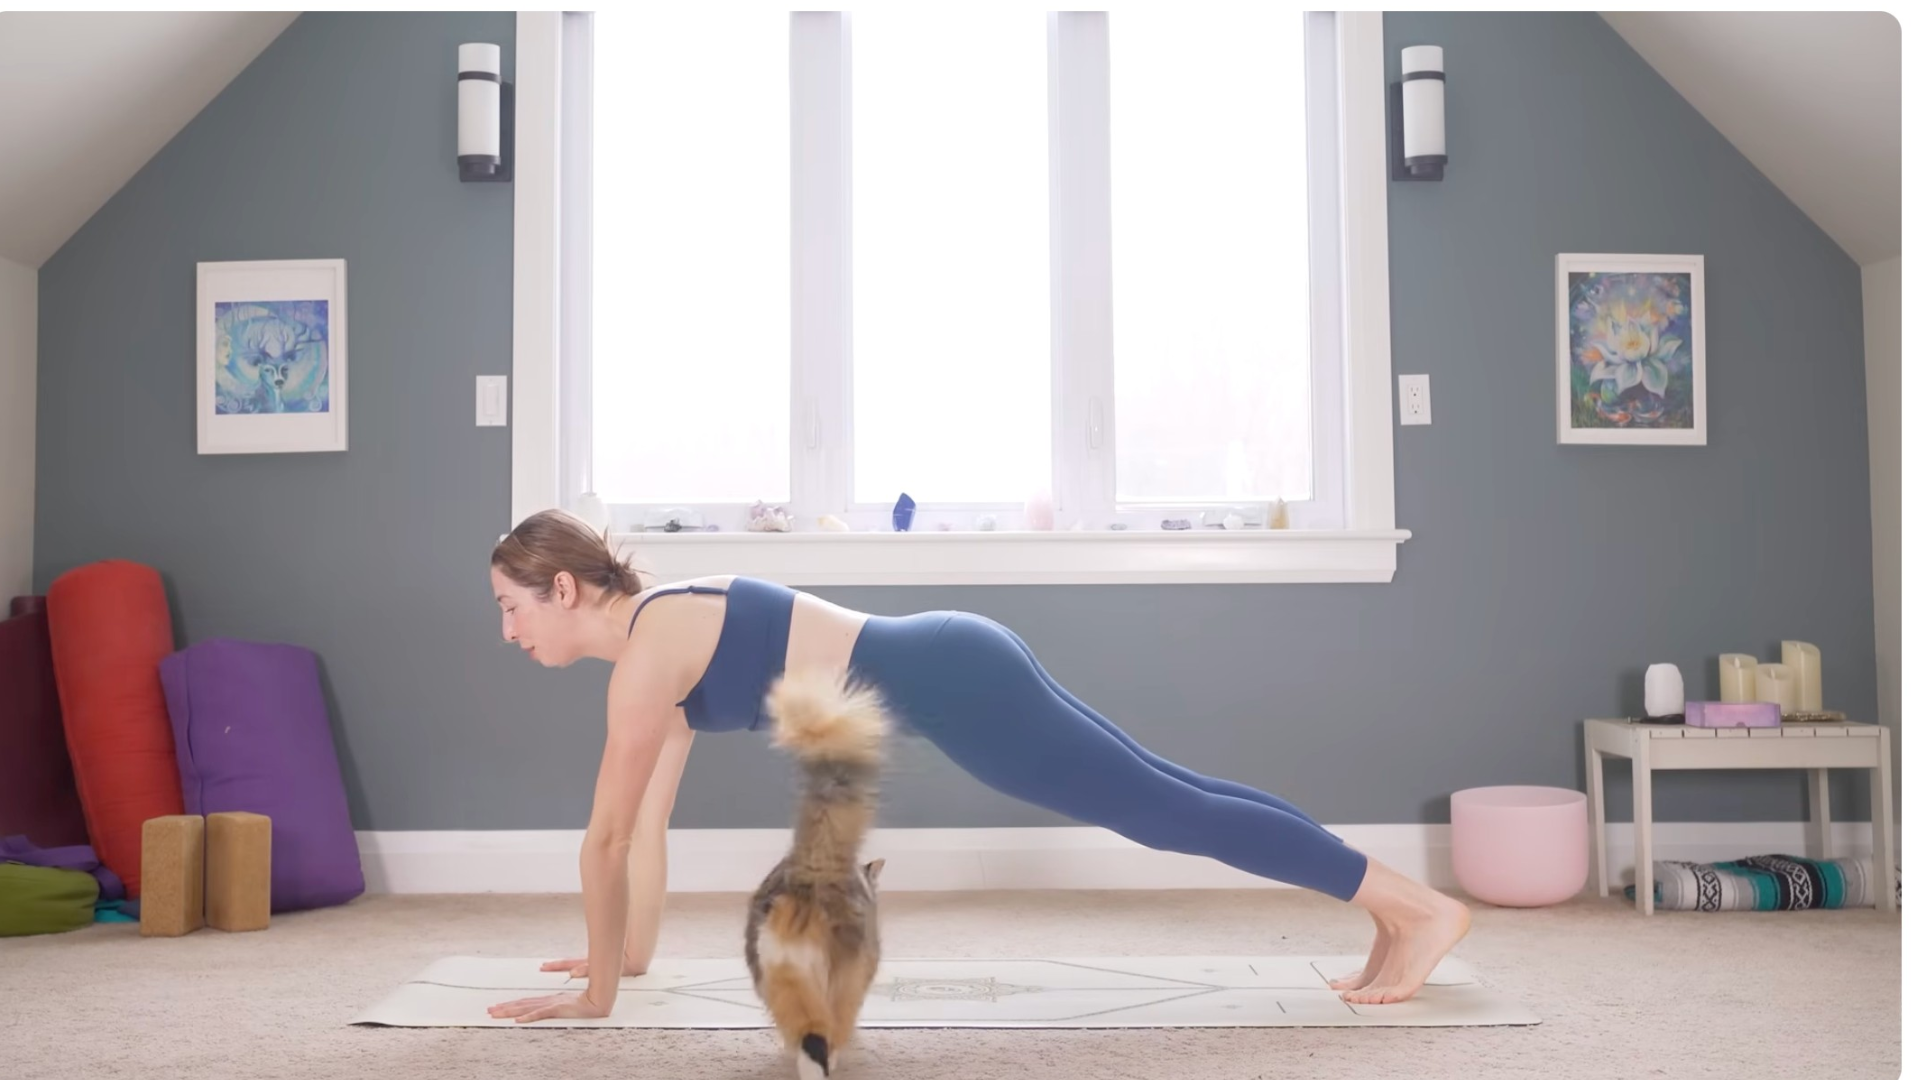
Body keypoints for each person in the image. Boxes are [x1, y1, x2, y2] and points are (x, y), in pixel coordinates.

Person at [482, 509, 1470, 1025]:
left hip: (956, 682)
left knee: (1164, 811)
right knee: (1172, 794)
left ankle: (1416, 909)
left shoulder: (651, 651)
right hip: (959, 657)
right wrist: (629, 960)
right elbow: (645, 827)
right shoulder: (659, 639)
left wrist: (596, 997)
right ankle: (1389, 906)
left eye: (513, 607)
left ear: (564, 588)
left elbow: (605, 837)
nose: (507, 630)